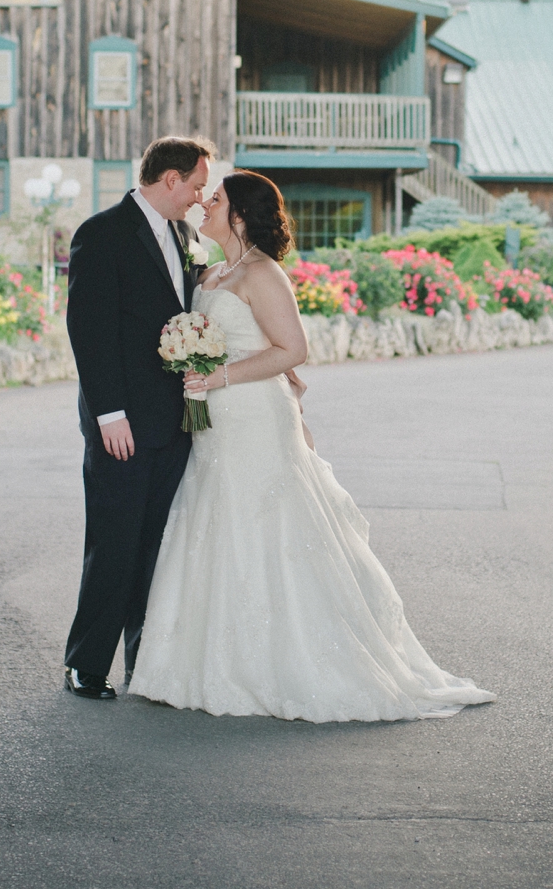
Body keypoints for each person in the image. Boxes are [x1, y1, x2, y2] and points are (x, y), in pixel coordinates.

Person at [127, 171, 495, 721]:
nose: (206, 202)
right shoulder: (211, 271)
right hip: (211, 425)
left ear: (241, 215)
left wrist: (216, 378)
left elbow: (292, 349)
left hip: (252, 416)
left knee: (264, 526)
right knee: (215, 524)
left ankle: (289, 663)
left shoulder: (262, 273)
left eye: (217, 198)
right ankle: (208, 664)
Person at [61, 135, 213, 700]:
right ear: (169, 179)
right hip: (120, 424)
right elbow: (89, 332)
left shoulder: (187, 236)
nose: (200, 197)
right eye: (196, 184)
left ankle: (144, 665)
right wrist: (109, 414)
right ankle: (87, 664)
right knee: (115, 541)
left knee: (157, 545)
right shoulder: (100, 233)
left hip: (174, 422)